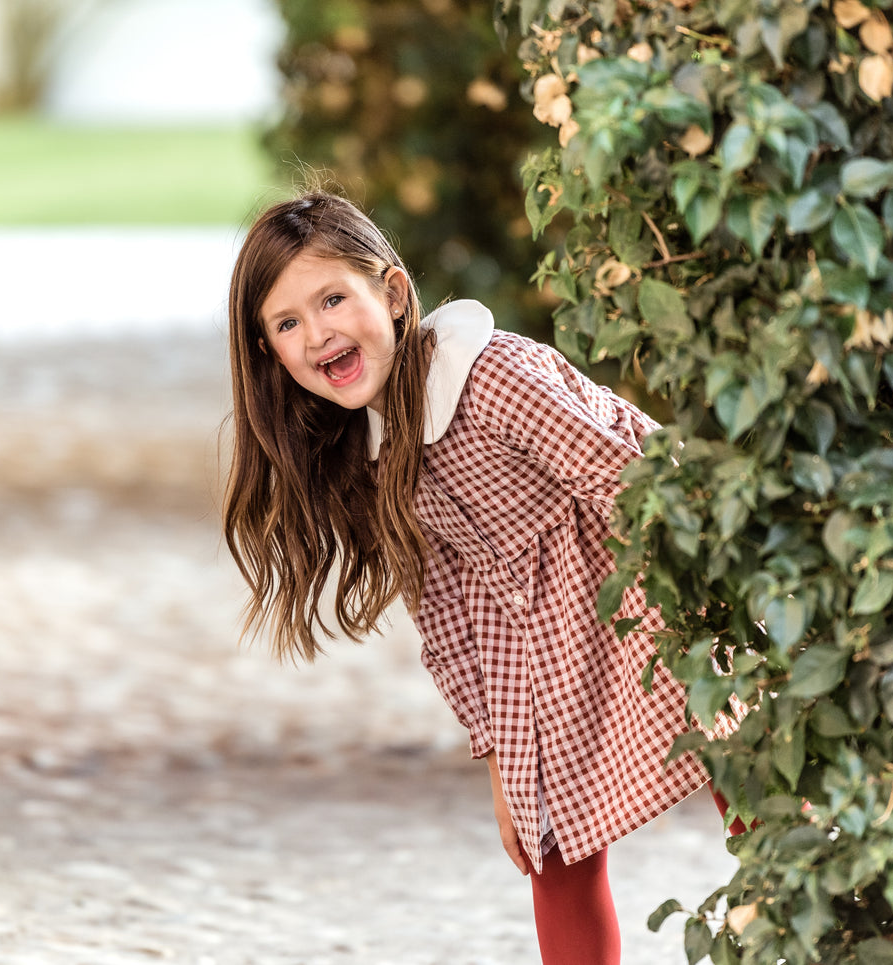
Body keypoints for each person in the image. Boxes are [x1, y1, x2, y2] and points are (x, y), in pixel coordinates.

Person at [222, 190, 733, 964]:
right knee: (548, 844)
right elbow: (447, 614)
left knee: (745, 766)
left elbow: (628, 481)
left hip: (645, 582)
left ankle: (820, 919)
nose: (317, 332)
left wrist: (711, 614)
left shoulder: (492, 377)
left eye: (332, 299)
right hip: (537, 639)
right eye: (287, 323)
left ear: (391, 294)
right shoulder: (371, 452)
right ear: (268, 352)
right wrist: (499, 755)